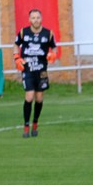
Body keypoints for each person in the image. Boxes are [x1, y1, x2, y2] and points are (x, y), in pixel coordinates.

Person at [14, 9, 59, 138]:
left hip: (41, 71)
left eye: (38, 17)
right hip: (28, 70)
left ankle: (35, 123)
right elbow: (16, 45)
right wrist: (17, 57)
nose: (35, 20)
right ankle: (26, 126)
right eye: (33, 18)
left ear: (41, 18)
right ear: (29, 20)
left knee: (39, 98)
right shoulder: (23, 32)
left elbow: (54, 47)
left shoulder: (48, 34)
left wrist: (53, 54)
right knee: (29, 96)